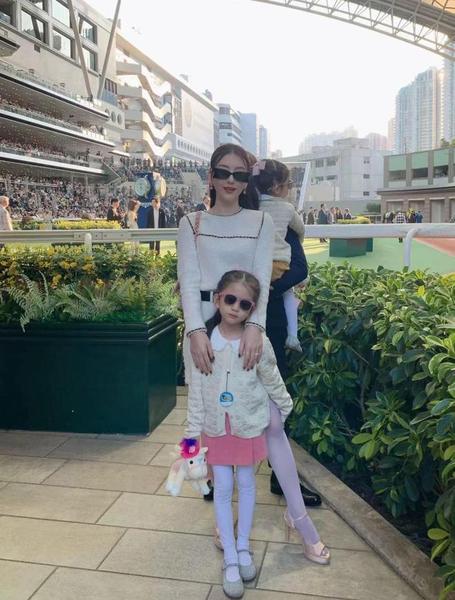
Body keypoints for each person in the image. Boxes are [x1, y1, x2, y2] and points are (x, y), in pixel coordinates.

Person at [178, 143, 328, 571]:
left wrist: (255, 328)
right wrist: (195, 332)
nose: (231, 181)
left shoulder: (261, 221)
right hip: (205, 333)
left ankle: (299, 520)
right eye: (223, 172)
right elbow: (188, 280)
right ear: (210, 176)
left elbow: (262, 276)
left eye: (240, 174)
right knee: (211, 422)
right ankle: (223, 522)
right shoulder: (191, 223)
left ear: (248, 180)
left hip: (251, 329)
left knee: (273, 423)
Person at [184, 270, 294, 598]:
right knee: (223, 488)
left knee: (246, 484)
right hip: (215, 428)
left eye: (244, 304)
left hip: (247, 426)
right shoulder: (202, 343)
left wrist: (285, 407)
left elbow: (272, 377)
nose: (235, 307)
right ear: (218, 299)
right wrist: (190, 441)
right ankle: (230, 556)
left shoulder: (257, 342)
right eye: (230, 299)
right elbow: (195, 394)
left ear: (252, 309)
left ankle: (244, 545)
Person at [252, 159, 305, 353]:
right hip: (279, 265)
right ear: (276, 187)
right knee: (288, 293)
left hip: (255, 267)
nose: (289, 189)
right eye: (288, 185)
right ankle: (293, 335)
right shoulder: (287, 208)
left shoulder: (251, 207)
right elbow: (300, 229)